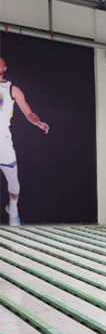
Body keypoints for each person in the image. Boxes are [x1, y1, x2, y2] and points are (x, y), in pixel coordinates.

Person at [0, 57, 50, 226]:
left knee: (13, 180)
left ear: (5, 68)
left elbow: (28, 113)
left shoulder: (12, 89)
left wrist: (38, 122)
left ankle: (13, 209)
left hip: (2, 140)